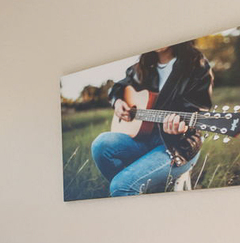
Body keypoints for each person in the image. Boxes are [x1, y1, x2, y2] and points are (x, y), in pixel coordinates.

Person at [90, 42, 213, 196]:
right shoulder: (140, 68)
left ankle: (128, 187)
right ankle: (136, 186)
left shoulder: (195, 63)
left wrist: (183, 127)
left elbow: (199, 108)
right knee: (100, 144)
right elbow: (117, 88)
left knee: (120, 185)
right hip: (143, 139)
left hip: (178, 146)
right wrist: (117, 101)